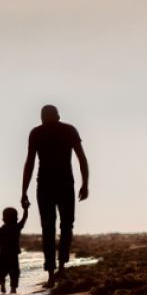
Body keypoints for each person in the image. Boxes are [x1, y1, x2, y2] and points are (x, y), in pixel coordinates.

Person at [21, 104, 89, 283]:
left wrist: (24, 191)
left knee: (49, 228)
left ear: (43, 117)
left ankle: (52, 272)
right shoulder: (67, 130)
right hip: (63, 183)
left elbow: (29, 163)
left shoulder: (37, 132)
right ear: (58, 116)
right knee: (65, 226)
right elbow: (81, 158)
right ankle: (59, 268)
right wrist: (85, 184)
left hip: (46, 184)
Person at [0, 205, 28, 294]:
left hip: (6, 255)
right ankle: (7, 286)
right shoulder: (12, 228)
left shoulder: (14, 227)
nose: (3, 218)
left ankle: (10, 287)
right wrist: (26, 209)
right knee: (9, 272)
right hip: (8, 255)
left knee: (8, 272)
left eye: (5, 216)